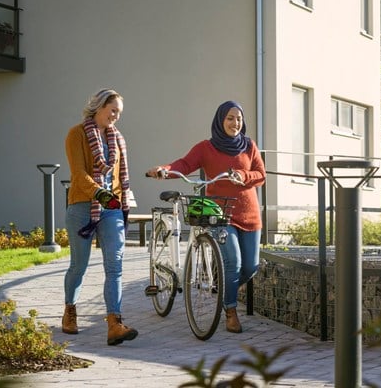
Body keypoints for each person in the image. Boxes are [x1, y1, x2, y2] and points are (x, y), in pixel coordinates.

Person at [146, 100, 266, 333]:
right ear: (220, 120)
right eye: (230, 118)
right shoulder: (206, 148)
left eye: (239, 118)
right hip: (220, 213)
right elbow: (184, 164)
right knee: (234, 262)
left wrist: (243, 175)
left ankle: (222, 290)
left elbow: (261, 175)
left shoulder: (249, 145)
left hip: (250, 213)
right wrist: (164, 170)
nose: (235, 123)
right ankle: (230, 311)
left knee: (250, 267)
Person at [62, 88, 138, 346]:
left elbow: (118, 178)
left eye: (119, 112)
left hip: (112, 207)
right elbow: (79, 174)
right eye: (112, 110)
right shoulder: (77, 134)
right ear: (99, 106)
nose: (116, 116)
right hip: (83, 205)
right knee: (79, 266)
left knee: (115, 265)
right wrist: (99, 192)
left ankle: (115, 323)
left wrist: (119, 198)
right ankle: (70, 310)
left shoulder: (118, 139)